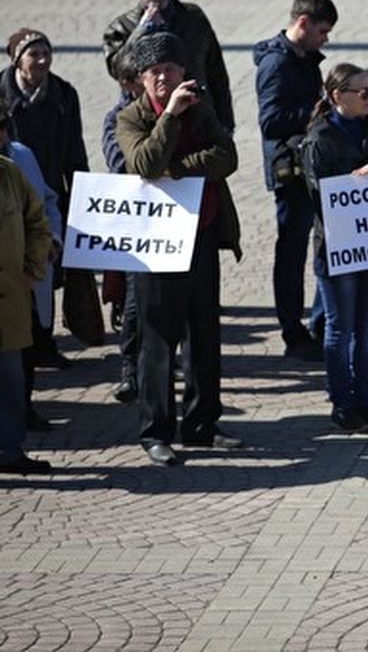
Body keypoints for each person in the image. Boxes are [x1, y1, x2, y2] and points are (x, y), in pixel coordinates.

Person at [116, 33, 242, 466]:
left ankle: (203, 423)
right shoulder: (130, 118)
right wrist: (169, 116)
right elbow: (144, 164)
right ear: (141, 80)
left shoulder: (202, 108)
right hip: (155, 246)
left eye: (171, 70)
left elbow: (226, 158)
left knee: (204, 336)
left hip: (201, 236)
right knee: (157, 342)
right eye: (156, 74)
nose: (166, 79)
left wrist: (178, 170)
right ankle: (155, 431)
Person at [301, 64, 368, 432]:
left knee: (367, 326)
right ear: (338, 96)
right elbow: (321, 197)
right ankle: (342, 403)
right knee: (340, 329)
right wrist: (356, 183)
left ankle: (366, 400)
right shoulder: (320, 140)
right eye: (363, 92)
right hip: (338, 249)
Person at [255, 0, 338, 363]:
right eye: (322, 31)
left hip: (312, 168)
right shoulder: (276, 64)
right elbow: (270, 121)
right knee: (291, 254)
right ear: (302, 23)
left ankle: (321, 323)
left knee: (327, 246)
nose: (326, 39)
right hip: (291, 173)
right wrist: (317, 111)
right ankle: (293, 330)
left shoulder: (303, 58)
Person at [2, 28, 88, 372]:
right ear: (17, 60)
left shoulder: (64, 94)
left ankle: (44, 341)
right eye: (33, 54)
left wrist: (81, 190)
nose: (42, 61)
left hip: (50, 192)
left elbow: (74, 148)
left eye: (46, 53)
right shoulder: (2, 94)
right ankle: (22, 343)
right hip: (10, 196)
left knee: (49, 270)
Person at [104, 0, 234, 133]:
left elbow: (216, 72)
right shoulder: (121, 27)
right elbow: (119, 71)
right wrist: (141, 30)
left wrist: (226, 121)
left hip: (197, 115)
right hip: (149, 121)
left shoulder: (193, 18)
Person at [0, 93, 61, 431]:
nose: (2, 135)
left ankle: (15, 433)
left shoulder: (18, 161)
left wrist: (43, 254)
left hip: (20, 287)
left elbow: (43, 208)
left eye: (4, 126)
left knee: (19, 362)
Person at [0, 151, 53, 474]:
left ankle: (9, 451)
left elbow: (37, 220)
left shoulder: (9, 173)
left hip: (9, 301)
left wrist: (34, 269)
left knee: (10, 381)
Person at [101, 56, 143, 403]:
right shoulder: (117, 119)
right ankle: (130, 370)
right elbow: (121, 163)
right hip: (136, 221)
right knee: (133, 303)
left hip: (170, 222)